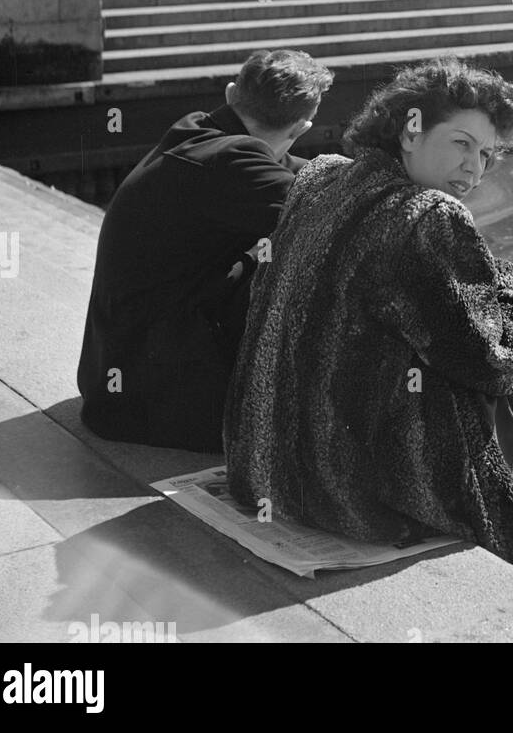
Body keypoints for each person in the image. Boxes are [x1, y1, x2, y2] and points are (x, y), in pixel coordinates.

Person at [225, 57, 513, 604]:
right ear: (410, 131)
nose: (474, 169)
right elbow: (492, 359)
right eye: (461, 143)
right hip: (348, 492)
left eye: (487, 154)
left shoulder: (320, 175)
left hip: (263, 466)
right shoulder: (428, 214)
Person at [76, 49, 333, 451]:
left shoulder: (196, 133)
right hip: (156, 405)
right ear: (302, 126)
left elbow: (296, 171)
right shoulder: (235, 160)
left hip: (113, 383)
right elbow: (335, 211)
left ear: (231, 94)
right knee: (315, 248)